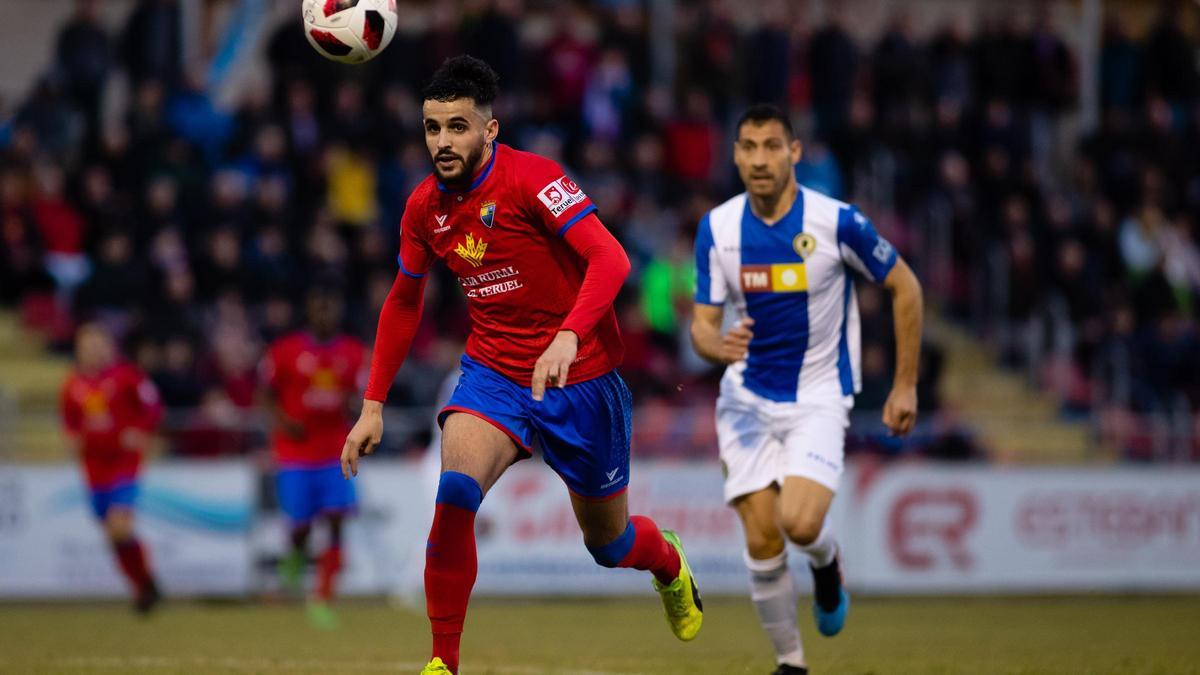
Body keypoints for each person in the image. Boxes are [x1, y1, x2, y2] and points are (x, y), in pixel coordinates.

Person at [340, 56, 703, 675]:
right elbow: (404, 301)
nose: (443, 141)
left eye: (458, 126)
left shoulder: (534, 180)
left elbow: (610, 260)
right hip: (493, 373)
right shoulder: (424, 208)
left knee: (609, 545)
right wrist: (372, 404)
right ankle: (442, 663)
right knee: (454, 492)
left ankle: (667, 562)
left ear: (490, 129)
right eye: (432, 128)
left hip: (581, 377)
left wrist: (567, 336)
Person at [689, 105, 924, 675]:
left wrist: (905, 386)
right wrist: (715, 346)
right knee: (763, 538)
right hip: (745, 401)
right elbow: (701, 324)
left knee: (798, 523)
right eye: (748, 147)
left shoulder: (837, 221)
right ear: (736, 154)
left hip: (819, 396)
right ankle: (791, 664)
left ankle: (825, 562)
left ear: (795, 153)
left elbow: (906, 287)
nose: (760, 159)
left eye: (773, 146)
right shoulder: (717, 228)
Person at [261, 286, 366, 628]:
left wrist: (358, 420)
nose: (325, 312)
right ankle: (294, 556)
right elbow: (264, 393)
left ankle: (322, 597)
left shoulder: (352, 353)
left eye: (330, 306)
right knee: (302, 527)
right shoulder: (285, 351)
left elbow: (361, 395)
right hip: (294, 453)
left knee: (337, 520)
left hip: (335, 450)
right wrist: (281, 421)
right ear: (308, 309)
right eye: (319, 305)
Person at [60, 322, 164, 613]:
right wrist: (71, 438)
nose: (92, 351)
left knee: (120, 526)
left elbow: (153, 407)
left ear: (109, 347)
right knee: (112, 535)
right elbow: (69, 419)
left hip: (123, 464)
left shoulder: (126, 376)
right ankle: (144, 584)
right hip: (93, 468)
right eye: (86, 346)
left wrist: (141, 431)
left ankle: (145, 587)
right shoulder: (73, 384)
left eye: (97, 344)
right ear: (79, 350)